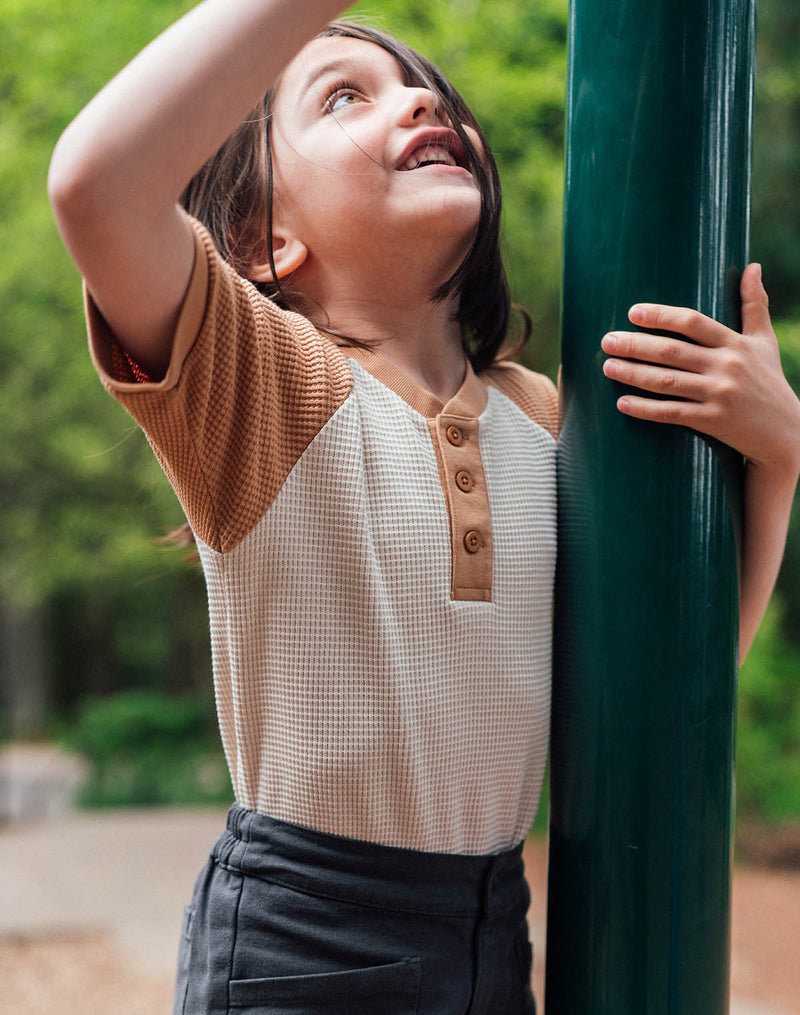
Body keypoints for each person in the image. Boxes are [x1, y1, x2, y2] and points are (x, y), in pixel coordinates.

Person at [48, 1, 800, 1012]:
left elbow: (660, 694)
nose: (412, 99)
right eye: (345, 96)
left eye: (428, 93)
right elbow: (99, 185)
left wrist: (777, 462)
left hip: (493, 941)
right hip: (305, 947)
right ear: (261, 239)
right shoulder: (259, 385)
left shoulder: (543, 418)